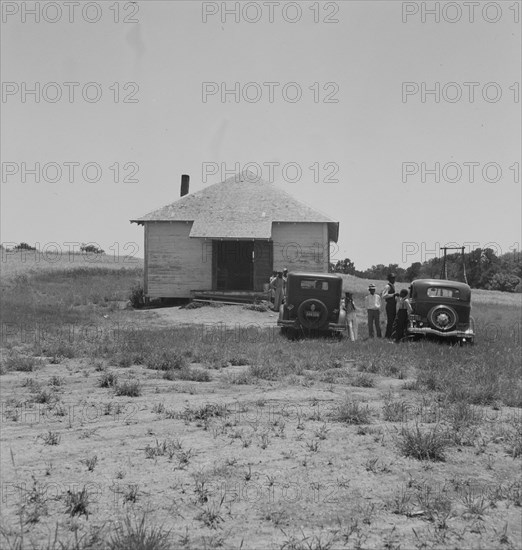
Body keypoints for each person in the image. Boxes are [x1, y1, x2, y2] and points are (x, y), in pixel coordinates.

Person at [382, 273, 399, 339]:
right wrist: (393, 295)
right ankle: (388, 336)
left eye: (394, 278)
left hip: (393, 305)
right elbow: (384, 296)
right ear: (389, 279)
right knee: (390, 321)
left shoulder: (392, 286)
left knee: (392, 321)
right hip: (389, 305)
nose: (393, 279)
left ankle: (390, 335)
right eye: (392, 278)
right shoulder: (387, 286)